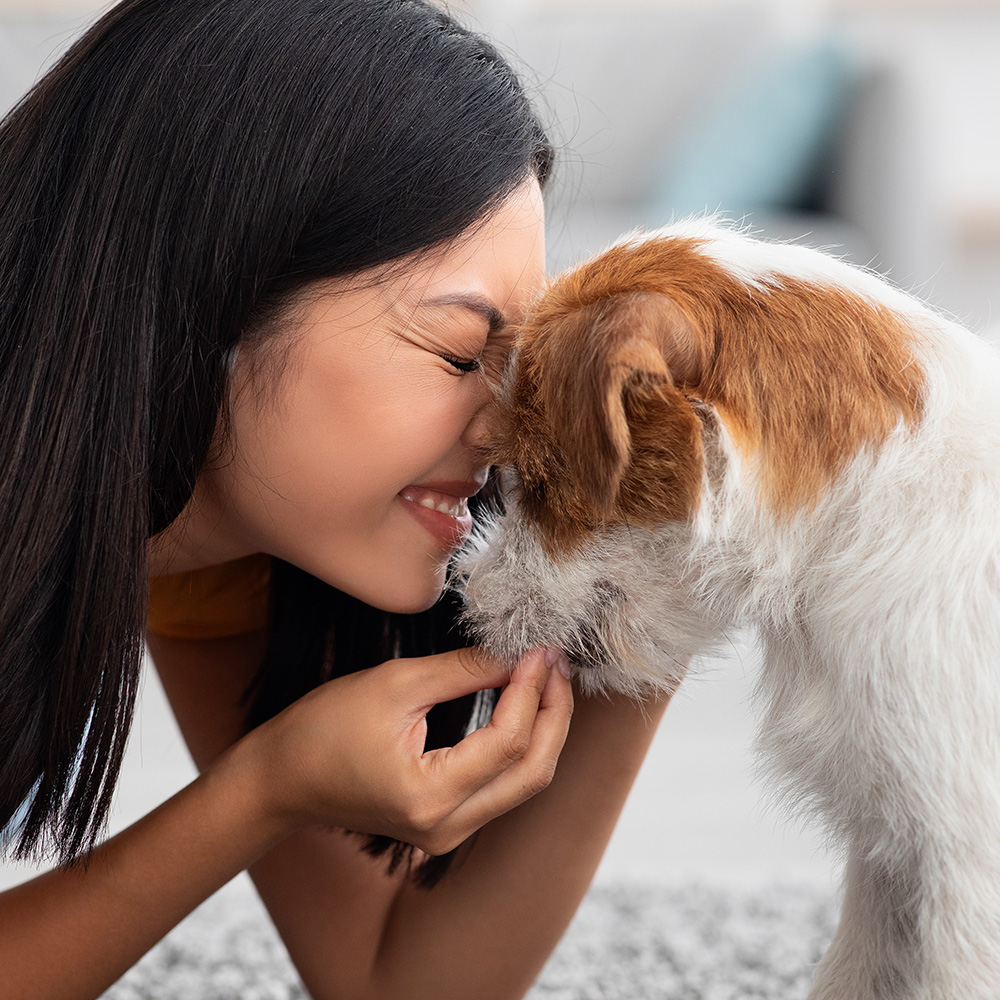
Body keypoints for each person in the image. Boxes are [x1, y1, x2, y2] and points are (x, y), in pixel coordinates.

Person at [0, 1, 671, 997]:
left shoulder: (211, 558)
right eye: (457, 350)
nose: (503, 430)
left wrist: (655, 588)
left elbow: (397, 982)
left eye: (515, 368)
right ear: (216, 287)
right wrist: (260, 792)